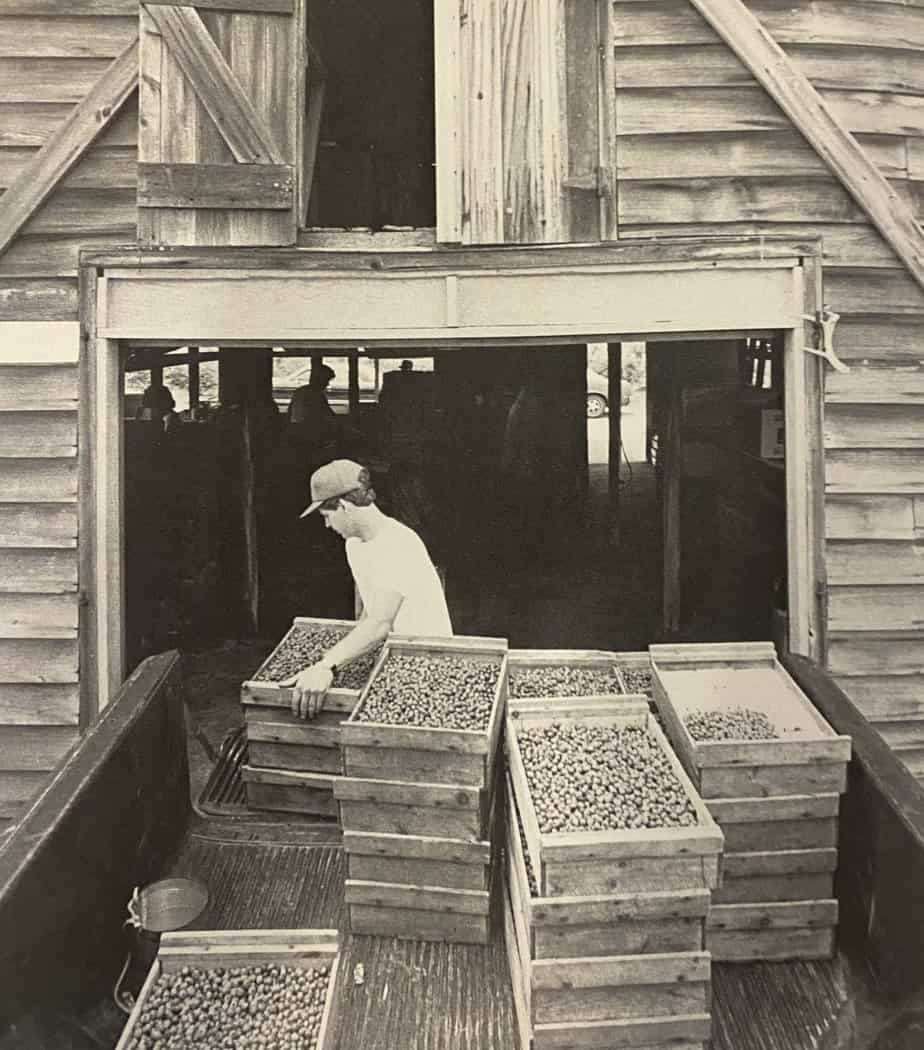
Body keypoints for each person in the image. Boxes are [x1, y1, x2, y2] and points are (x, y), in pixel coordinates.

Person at [284, 459, 452, 719]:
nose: (328, 526)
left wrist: (327, 665)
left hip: (428, 663)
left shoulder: (399, 542)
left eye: (327, 516)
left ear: (343, 506)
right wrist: (342, 658)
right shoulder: (354, 545)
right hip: (390, 657)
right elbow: (369, 615)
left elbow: (380, 623)